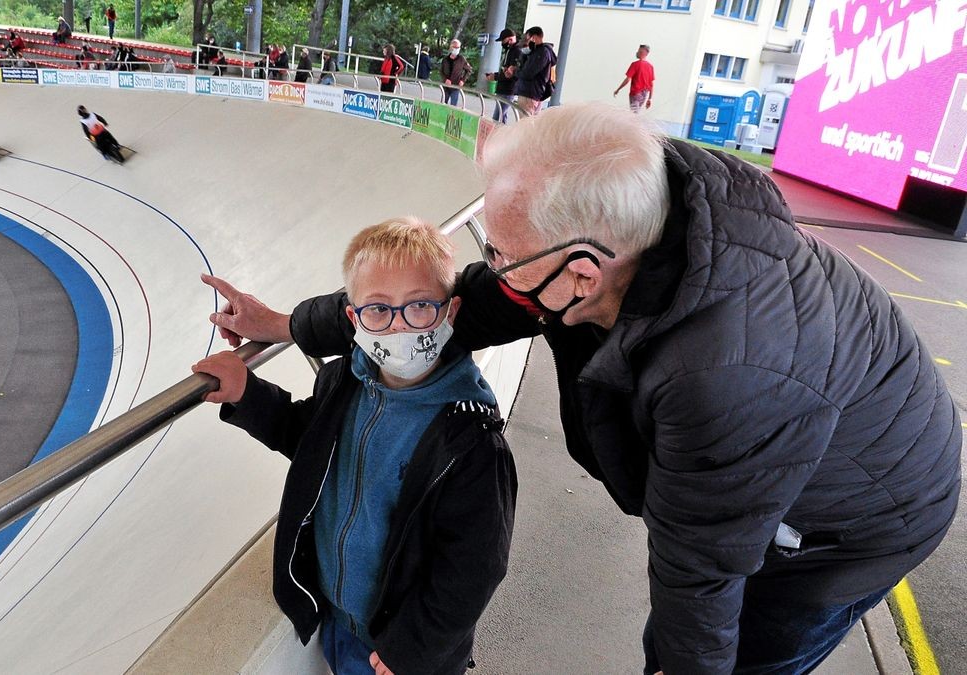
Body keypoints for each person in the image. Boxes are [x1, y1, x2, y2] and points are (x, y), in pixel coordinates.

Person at [203, 101, 963, 675]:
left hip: (850, 524)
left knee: (740, 651)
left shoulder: (722, 379)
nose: (490, 269)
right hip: (785, 436)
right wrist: (288, 326)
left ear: (582, 275)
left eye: (500, 252)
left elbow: (699, 575)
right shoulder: (621, 215)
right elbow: (448, 302)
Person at [193, 218, 517, 675]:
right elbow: (305, 439)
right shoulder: (342, 382)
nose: (399, 327)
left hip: (401, 653)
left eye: (420, 306)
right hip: (339, 623)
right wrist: (249, 393)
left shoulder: (471, 442)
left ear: (452, 311)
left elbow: (471, 570)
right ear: (353, 318)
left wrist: (411, 649)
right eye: (378, 310)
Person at [514, 26, 556, 116]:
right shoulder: (536, 52)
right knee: (529, 123)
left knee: (525, 124)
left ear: (534, 38)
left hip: (530, 94)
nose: (526, 42)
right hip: (531, 93)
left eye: (527, 39)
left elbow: (528, 74)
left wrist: (515, 72)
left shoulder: (541, 53)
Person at [486, 28, 521, 122]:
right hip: (503, 88)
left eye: (503, 40)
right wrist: (496, 75)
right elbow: (505, 70)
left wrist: (496, 77)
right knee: (501, 116)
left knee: (498, 117)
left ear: (510, 39)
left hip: (508, 90)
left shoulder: (517, 52)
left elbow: (510, 74)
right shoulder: (509, 50)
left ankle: (496, 135)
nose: (502, 43)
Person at [614, 44, 654, 114]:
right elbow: (651, 84)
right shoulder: (650, 66)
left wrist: (618, 89)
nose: (637, 53)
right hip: (644, 94)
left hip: (635, 93)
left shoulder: (635, 64)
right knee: (636, 113)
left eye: (639, 51)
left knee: (634, 114)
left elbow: (627, 79)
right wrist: (650, 98)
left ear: (643, 52)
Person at [439, 39, 471, 107]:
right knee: (443, 105)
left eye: (458, 47)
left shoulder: (461, 59)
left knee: (453, 106)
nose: (457, 49)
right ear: (451, 47)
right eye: (455, 47)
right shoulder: (445, 59)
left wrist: (462, 80)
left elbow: (469, 70)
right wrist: (445, 79)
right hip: (446, 87)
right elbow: (441, 71)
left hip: (455, 87)